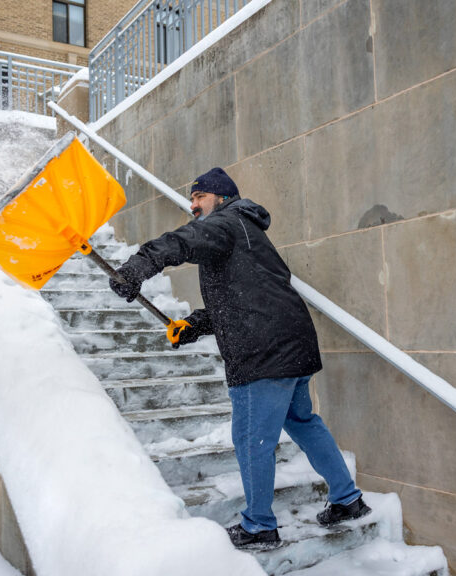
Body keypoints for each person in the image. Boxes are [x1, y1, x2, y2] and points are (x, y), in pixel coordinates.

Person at [109, 167, 371, 550]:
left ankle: (260, 526)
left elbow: (180, 242)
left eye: (199, 196)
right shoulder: (248, 231)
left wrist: (135, 268)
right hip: (291, 345)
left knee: (252, 439)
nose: (192, 204)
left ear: (221, 196)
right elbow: (242, 300)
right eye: (192, 197)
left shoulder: (224, 223)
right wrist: (193, 325)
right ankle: (348, 500)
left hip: (262, 352)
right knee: (302, 421)